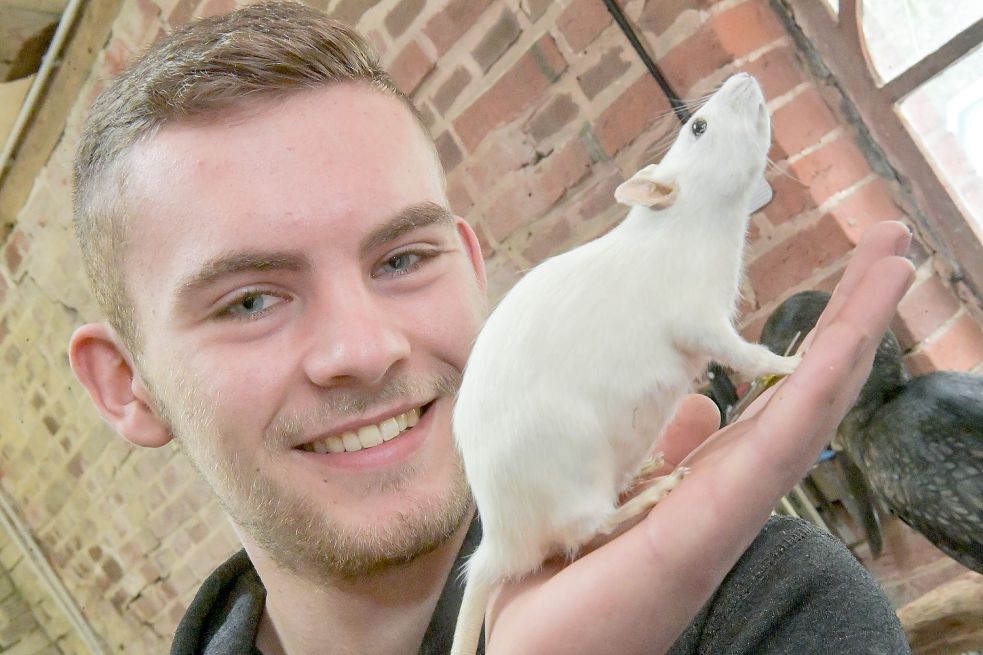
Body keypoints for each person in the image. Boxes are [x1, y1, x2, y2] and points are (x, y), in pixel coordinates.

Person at [67, 3, 915, 653]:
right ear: (125, 383)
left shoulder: (765, 602)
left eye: (401, 259)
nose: (365, 350)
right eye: (249, 301)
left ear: (473, 271)